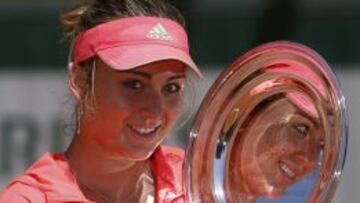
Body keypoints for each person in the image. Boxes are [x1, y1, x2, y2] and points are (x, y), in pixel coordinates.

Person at [0, 0, 202, 202]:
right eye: (134, 84)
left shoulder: (203, 182)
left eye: (172, 87)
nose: (155, 109)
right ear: (80, 82)